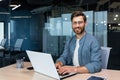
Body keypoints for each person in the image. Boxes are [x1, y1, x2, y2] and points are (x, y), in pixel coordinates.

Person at [55, 11, 102, 75]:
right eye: (75, 23)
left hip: (86, 75)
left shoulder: (93, 41)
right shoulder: (70, 41)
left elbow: (97, 65)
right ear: (72, 24)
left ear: (85, 23)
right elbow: (64, 57)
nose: (77, 25)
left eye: (80, 23)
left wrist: (74, 69)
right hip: (71, 74)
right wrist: (59, 63)